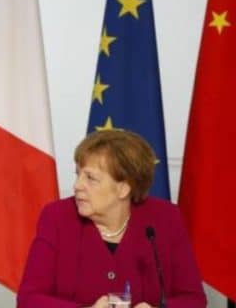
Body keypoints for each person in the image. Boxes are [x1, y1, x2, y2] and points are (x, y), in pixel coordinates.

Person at [17, 129, 207, 308]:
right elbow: (28, 299)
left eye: (90, 178)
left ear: (123, 189)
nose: (77, 185)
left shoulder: (165, 219)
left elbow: (194, 299)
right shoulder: (57, 217)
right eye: (78, 174)